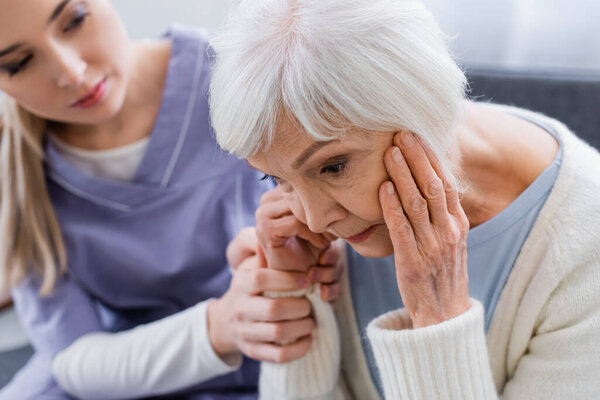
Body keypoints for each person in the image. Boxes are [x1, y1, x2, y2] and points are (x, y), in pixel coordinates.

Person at [209, 0, 600, 398]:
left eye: (333, 167)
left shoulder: (587, 248)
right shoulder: (324, 233)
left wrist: (437, 317)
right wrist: (299, 297)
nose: (312, 220)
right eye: (275, 178)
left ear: (421, 106)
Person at [0, 1, 341, 398]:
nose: (71, 72)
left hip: (271, 353)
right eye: (19, 63)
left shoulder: (241, 77)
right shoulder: (18, 172)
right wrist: (218, 327)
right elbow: (74, 358)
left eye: (75, 20)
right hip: (117, 375)